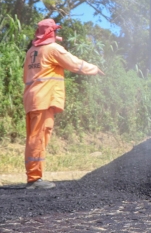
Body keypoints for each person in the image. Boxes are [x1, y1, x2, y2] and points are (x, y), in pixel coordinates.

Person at [23, 19, 104, 190]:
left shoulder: (31, 51)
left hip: (32, 98)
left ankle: (33, 176)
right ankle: (35, 179)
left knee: (34, 136)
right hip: (43, 99)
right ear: (50, 33)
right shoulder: (53, 49)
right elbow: (74, 64)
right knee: (39, 137)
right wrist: (94, 69)